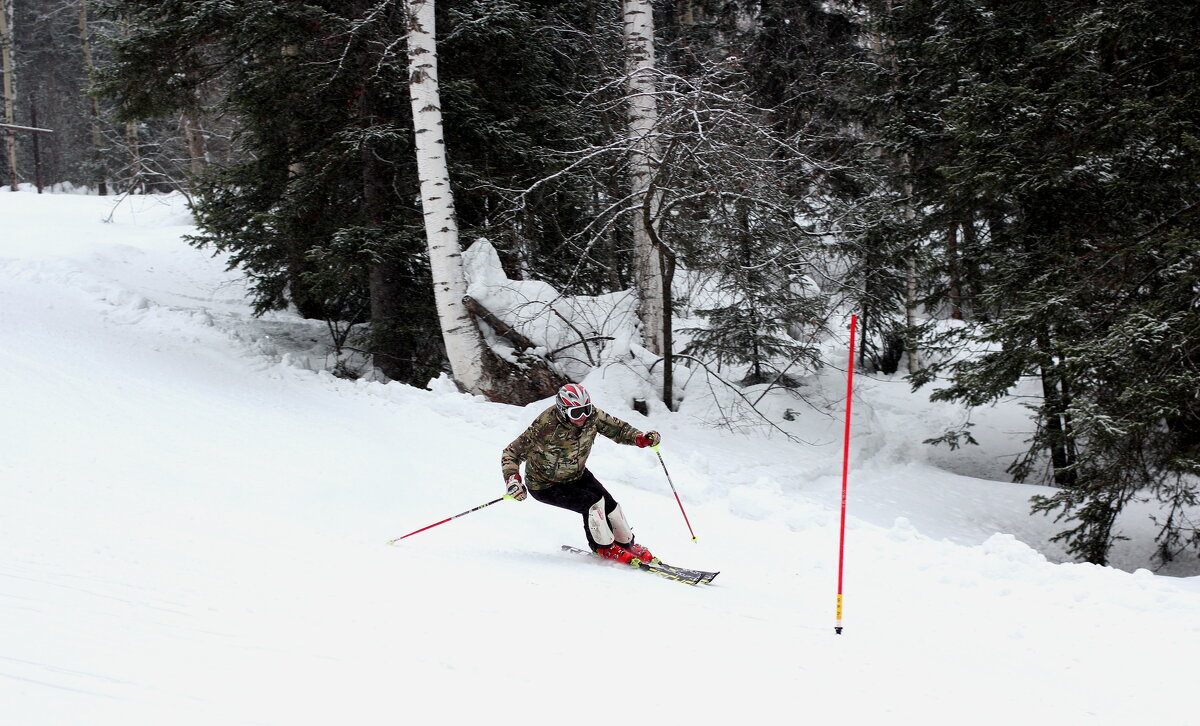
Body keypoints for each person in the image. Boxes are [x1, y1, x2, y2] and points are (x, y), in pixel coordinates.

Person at [502, 383, 661, 564]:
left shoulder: (593, 416)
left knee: (610, 506)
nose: (583, 417)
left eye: (585, 409)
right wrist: (513, 480)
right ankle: (603, 548)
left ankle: (627, 544)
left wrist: (640, 438)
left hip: (575, 475)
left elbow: (619, 429)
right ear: (563, 410)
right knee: (591, 504)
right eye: (576, 413)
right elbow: (511, 452)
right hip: (545, 484)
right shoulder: (546, 425)